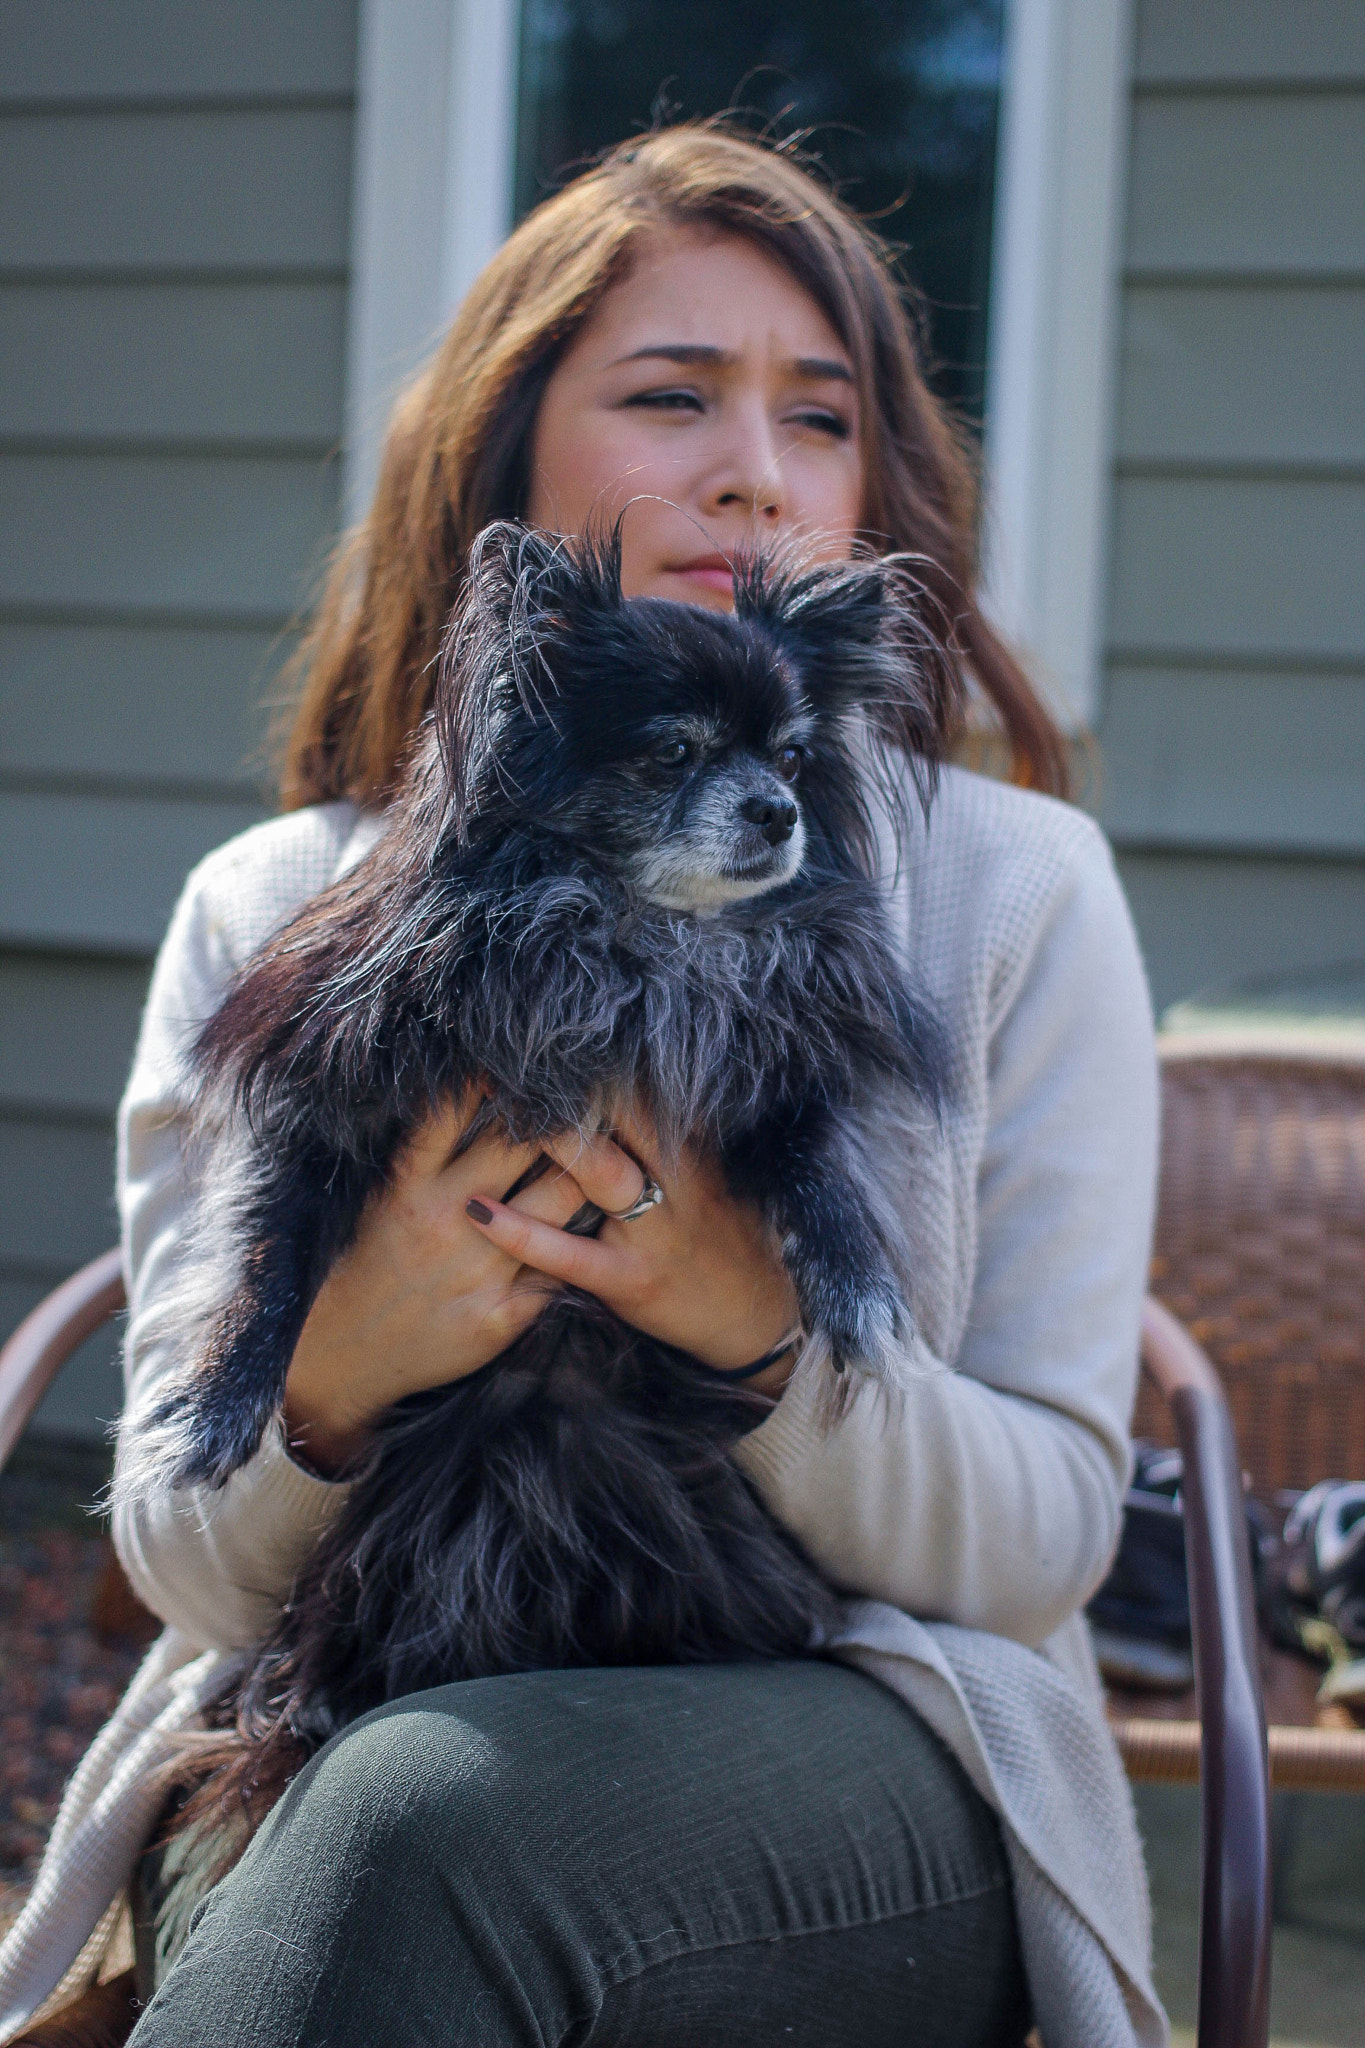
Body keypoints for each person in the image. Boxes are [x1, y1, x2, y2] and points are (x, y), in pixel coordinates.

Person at [0, 126, 1163, 2048]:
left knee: (413, 1830)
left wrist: (744, 1319)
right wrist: (344, 1353)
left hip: (870, 1726)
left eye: (821, 417)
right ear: (502, 464)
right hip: (356, 1676)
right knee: (378, 1816)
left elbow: (1040, 1540)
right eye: (668, 396)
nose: (753, 471)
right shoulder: (283, 910)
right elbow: (182, 1559)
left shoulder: (1013, 892)